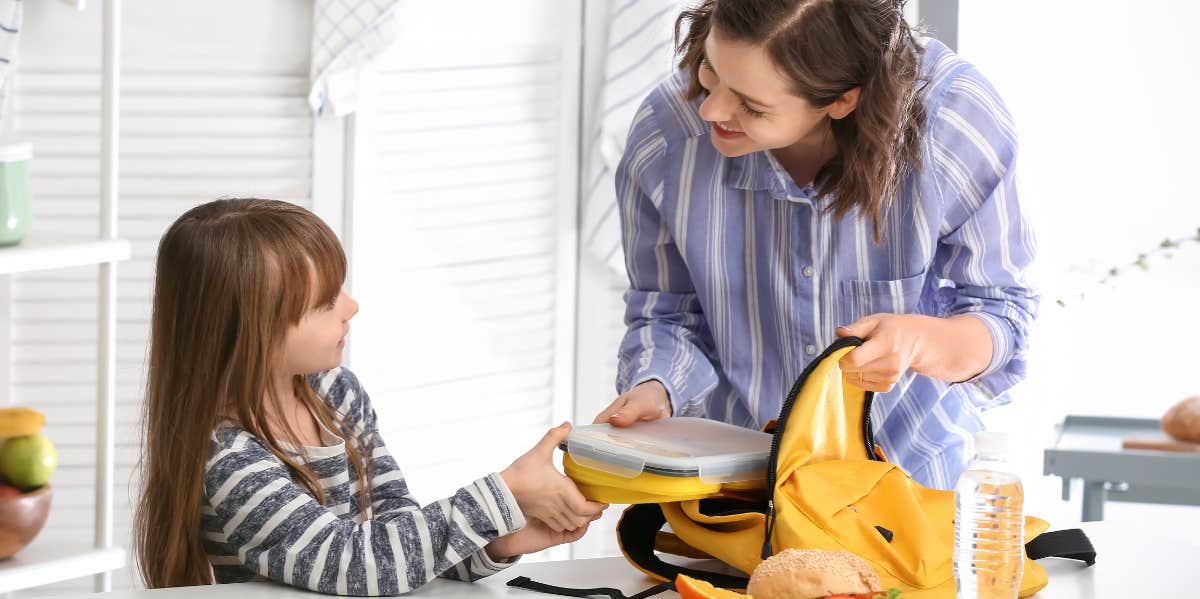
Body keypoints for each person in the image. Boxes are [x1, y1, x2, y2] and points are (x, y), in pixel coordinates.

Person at [594, 0, 1037, 489]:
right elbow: (668, 310)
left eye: (751, 104)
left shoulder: (954, 123)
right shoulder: (666, 134)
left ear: (843, 99)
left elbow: (1003, 317)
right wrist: (657, 386)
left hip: (911, 487)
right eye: (709, 70)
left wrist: (919, 342)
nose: (710, 108)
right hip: (738, 488)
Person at [134, 199, 605, 594]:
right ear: (246, 333)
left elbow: (396, 535)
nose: (351, 306)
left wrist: (499, 538)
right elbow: (353, 562)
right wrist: (502, 494)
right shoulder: (229, 461)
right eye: (323, 302)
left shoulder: (336, 394)